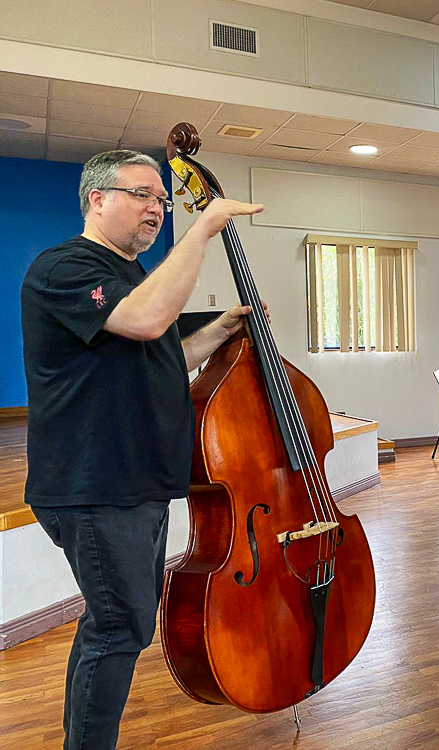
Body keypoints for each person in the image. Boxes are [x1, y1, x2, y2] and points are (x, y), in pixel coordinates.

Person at [20, 149, 264, 750]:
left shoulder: (132, 277)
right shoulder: (65, 267)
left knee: (120, 623)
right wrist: (203, 227)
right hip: (95, 483)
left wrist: (221, 331)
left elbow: (164, 359)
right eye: (142, 195)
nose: (157, 209)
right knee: (120, 626)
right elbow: (148, 323)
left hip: (139, 483)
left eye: (162, 199)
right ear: (97, 199)